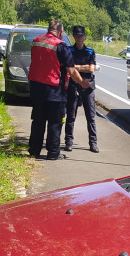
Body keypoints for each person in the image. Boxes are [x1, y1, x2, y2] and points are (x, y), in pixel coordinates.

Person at [27, 20, 89, 160]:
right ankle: (53, 152)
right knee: (55, 122)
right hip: (53, 90)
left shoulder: (36, 41)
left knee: (38, 120)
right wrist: (82, 83)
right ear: (60, 32)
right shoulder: (60, 46)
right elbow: (71, 71)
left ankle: (34, 150)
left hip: (36, 87)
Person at [64, 25, 99, 153]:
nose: (79, 38)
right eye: (77, 36)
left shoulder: (90, 51)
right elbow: (67, 68)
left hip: (88, 86)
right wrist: (79, 68)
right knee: (71, 115)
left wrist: (75, 68)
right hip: (73, 85)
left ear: (84, 37)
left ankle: (93, 143)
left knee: (91, 116)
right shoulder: (69, 50)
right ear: (74, 36)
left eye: (81, 36)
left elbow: (91, 69)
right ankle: (68, 141)